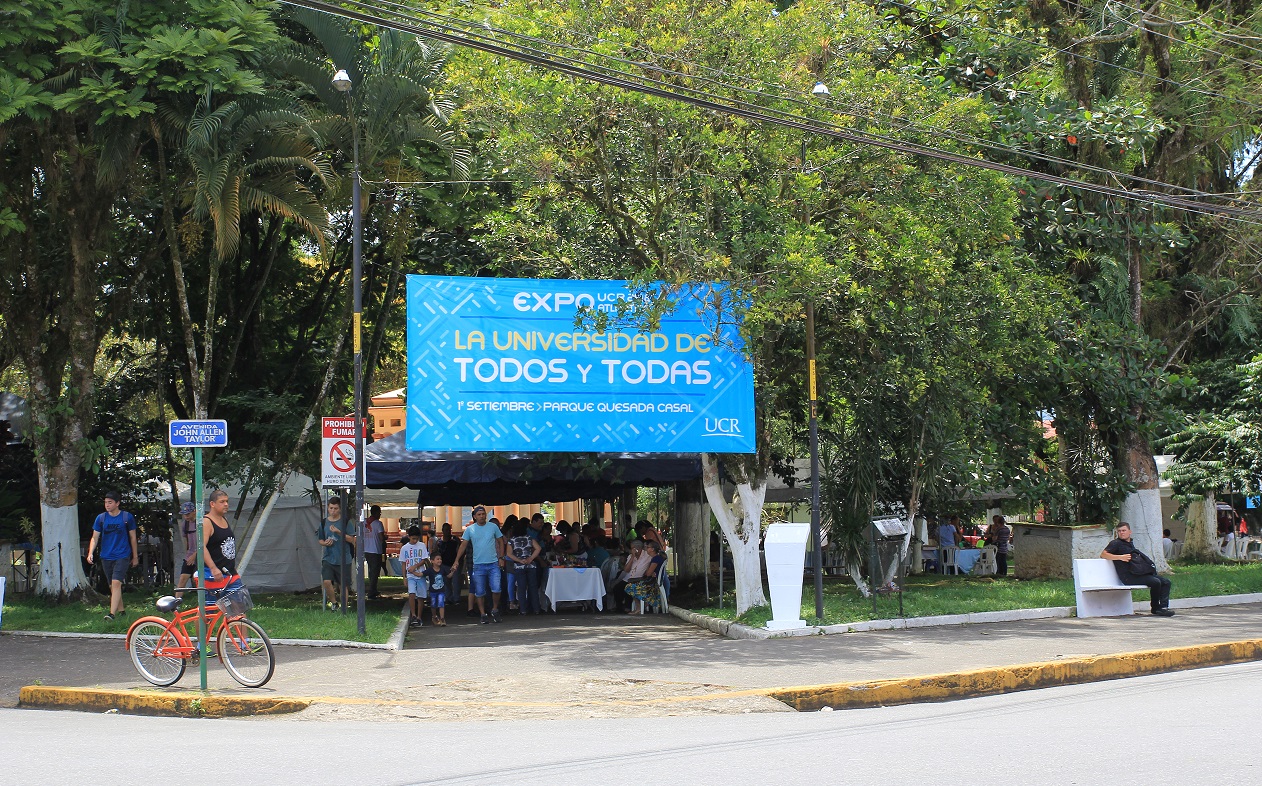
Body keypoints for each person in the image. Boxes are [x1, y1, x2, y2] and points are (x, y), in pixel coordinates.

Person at [1101, 522, 1174, 616]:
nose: (1121, 533)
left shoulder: (1130, 543)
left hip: (1138, 573)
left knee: (1166, 582)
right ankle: (1155, 607)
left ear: (1129, 532)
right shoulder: (1116, 543)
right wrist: (1120, 557)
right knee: (1155, 582)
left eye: (1124, 530)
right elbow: (1103, 554)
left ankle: (1163, 607)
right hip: (1128, 577)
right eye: (1119, 531)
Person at [86, 490, 139, 621]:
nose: (107, 505)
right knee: (113, 586)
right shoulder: (101, 518)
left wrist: (135, 556)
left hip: (122, 554)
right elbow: (95, 537)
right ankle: (121, 611)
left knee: (116, 583)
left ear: (117, 503)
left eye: (110, 502)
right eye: (105, 502)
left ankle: (111, 614)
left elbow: (133, 537)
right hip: (106, 555)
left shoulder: (127, 518)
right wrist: (90, 552)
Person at [450, 505, 505, 624]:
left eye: (483, 514)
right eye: (479, 515)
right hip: (478, 565)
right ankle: (482, 613)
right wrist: (456, 560)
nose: (481, 516)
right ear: (474, 517)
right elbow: (463, 545)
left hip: (493, 563)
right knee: (479, 592)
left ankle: (494, 609)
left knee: (496, 588)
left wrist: (501, 557)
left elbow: (501, 541)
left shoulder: (493, 527)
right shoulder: (470, 529)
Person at [318, 497, 357, 610]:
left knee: (343, 584)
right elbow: (320, 539)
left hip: (343, 558)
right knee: (326, 581)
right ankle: (334, 603)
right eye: (331, 508)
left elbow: (352, 539)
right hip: (328, 557)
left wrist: (339, 532)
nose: (333, 511)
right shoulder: (324, 522)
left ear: (340, 509)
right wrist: (325, 543)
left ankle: (344, 608)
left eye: (335, 508)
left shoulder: (345, 522)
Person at [506, 520, 543, 614]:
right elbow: (538, 548)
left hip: (519, 566)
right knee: (533, 587)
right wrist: (531, 558)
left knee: (521, 588)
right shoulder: (529, 538)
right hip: (531, 565)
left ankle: (523, 610)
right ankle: (536, 609)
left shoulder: (512, 540)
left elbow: (509, 554)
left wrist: (519, 560)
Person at [624, 541, 667, 613]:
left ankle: (639, 607)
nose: (646, 549)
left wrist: (648, 571)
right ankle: (643, 604)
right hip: (652, 582)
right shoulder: (656, 558)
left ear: (652, 549)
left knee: (629, 587)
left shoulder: (656, 559)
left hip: (652, 584)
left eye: (648, 547)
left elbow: (648, 573)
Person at [400, 525, 429, 628]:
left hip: (420, 574)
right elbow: (403, 563)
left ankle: (419, 617)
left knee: (421, 596)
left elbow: (424, 559)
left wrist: (415, 566)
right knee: (412, 594)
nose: (415, 540)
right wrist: (404, 577)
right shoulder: (404, 548)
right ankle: (413, 615)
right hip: (410, 576)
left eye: (416, 538)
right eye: (413, 538)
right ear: (409, 537)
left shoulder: (421, 546)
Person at [612, 539, 651, 612]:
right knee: (617, 588)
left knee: (629, 588)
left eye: (632, 548)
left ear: (637, 548)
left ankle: (629, 607)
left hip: (638, 579)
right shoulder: (630, 556)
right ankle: (620, 607)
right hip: (628, 578)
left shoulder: (647, 556)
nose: (630, 550)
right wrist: (632, 557)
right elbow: (626, 570)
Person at [174, 501, 199, 597]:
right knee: (183, 578)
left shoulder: (202, 523)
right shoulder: (185, 524)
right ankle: (176, 604)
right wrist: (189, 553)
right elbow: (185, 539)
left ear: (194, 511)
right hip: (190, 555)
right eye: (184, 515)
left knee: (202, 580)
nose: (186, 517)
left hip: (202, 555)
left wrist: (195, 555)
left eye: (188, 514)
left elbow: (206, 542)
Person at [433, 522, 462, 608]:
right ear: (442, 530)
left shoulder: (455, 540)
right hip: (444, 565)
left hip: (454, 564)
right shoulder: (439, 542)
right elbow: (435, 553)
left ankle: (456, 598)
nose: (447, 531)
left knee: (456, 582)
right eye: (446, 530)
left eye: (449, 529)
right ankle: (448, 598)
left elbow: (460, 550)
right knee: (446, 583)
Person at [361, 505, 386, 598]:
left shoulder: (364, 522)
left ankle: (373, 589)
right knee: (375, 572)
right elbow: (381, 537)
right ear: (375, 512)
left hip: (366, 549)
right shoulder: (378, 523)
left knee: (371, 571)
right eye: (379, 512)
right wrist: (384, 537)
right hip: (376, 550)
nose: (380, 514)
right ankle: (371, 592)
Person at [424, 552, 448, 626]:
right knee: (433, 604)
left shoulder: (443, 569)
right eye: (437, 559)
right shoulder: (430, 570)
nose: (439, 560)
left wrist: (453, 571)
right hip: (433, 591)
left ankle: (442, 619)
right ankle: (434, 616)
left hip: (441, 590)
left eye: (440, 559)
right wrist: (413, 572)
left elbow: (449, 576)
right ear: (432, 561)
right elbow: (422, 574)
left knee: (441, 603)